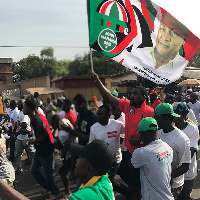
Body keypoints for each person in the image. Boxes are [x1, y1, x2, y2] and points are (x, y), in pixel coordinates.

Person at [92, 72, 154, 200]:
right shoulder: (127, 105)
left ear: (143, 97)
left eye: (135, 94)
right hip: (131, 154)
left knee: (145, 184)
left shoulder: (150, 112)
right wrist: (98, 81)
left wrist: (140, 139)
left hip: (146, 154)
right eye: (131, 93)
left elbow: (156, 134)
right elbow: (109, 97)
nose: (131, 95)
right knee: (132, 186)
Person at [0, 140, 115, 200]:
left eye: (80, 158)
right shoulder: (103, 181)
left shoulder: (91, 194)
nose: (76, 161)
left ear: (89, 167)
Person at [89, 105, 130, 199]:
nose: (98, 116)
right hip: (103, 161)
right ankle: (128, 193)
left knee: (110, 181)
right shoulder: (94, 128)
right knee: (107, 181)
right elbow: (91, 144)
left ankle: (130, 193)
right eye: (97, 114)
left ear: (108, 114)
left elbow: (127, 132)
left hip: (116, 159)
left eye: (101, 114)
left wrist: (122, 139)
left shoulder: (117, 124)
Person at [23, 100, 60, 199]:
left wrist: (29, 142)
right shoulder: (33, 119)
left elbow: (41, 138)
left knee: (48, 173)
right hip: (40, 150)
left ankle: (56, 192)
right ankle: (48, 187)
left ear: (30, 109)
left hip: (45, 150)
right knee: (34, 170)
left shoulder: (36, 120)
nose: (23, 109)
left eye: (24, 107)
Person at [154, 103, 191, 199]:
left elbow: (185, 166)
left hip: (173, 184)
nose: (155, 121)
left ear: (166, 118)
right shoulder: (158, 133)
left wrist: (167, 176)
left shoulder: (182, 139)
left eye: (157, 118)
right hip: (159, 181)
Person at [131, 117, 174, 200]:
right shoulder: (168, 147)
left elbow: (131, 165)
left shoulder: (141, 152)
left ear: (142, 134)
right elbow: (170, 175)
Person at [173, 102, 199, 200]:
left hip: (186, 172)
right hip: (173, 170)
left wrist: (179, 168)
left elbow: (191, 152)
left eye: (176, 115)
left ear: (183, 116)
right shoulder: (171, 127)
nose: (173, 117)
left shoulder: (192, 129)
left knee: (184, 196)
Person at [51, 114, 77, 197]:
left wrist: (62, 152)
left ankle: (67, 192)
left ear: (57, 123)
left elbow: (67, 146)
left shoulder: (62, 133)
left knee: (63, 171)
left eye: (53, 123)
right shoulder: (64, 121)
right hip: (76, 147)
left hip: (72, 153)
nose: (52, 125)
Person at [14, 99, 35, 173]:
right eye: (19, 103)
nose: (19, 105)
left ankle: (35, 167)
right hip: (20, 138)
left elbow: (24, 125)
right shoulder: (20, 113)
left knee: (32, 153)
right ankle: (19, 167)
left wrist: (18, 132)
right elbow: (18, 124)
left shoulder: (24, 115)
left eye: (21, 104)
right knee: (17, 153)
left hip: (27, 138)